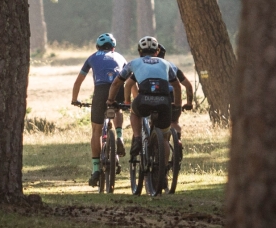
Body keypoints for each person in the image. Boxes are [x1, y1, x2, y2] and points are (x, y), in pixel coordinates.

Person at [107, 36, 181, 169]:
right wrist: (177, 104)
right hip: (164, 102)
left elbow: (117, 82)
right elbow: (177, 86)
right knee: (164, 138)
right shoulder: (166, 64)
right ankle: (162, 173)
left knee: (135, 112)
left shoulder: (133, 63)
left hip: (143, 100)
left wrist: (111, 100)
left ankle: (137, 138)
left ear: (139, 51)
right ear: (157, 51)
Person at [71, 33, 127, 187]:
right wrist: (130, 100)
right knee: (117, 109)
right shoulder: (120, 57)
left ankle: (96, 169)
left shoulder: (92, 57)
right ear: (113, 47)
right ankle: (120, 136)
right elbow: (130, 80)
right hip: (118, 89)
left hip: (101, 91)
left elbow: (78, 81)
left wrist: (75, 99)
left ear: (98, 46)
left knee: (96, 131)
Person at [123, 44, 194, 156]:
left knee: (144, 113)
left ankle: (149, 141)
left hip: (149, 95)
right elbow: (188, 86)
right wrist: (187, 103)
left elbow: (130, 84)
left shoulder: (143, 66)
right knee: (173, 122)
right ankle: (177, 140)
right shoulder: (171, 66)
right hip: (170, 96)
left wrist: (133, 100)